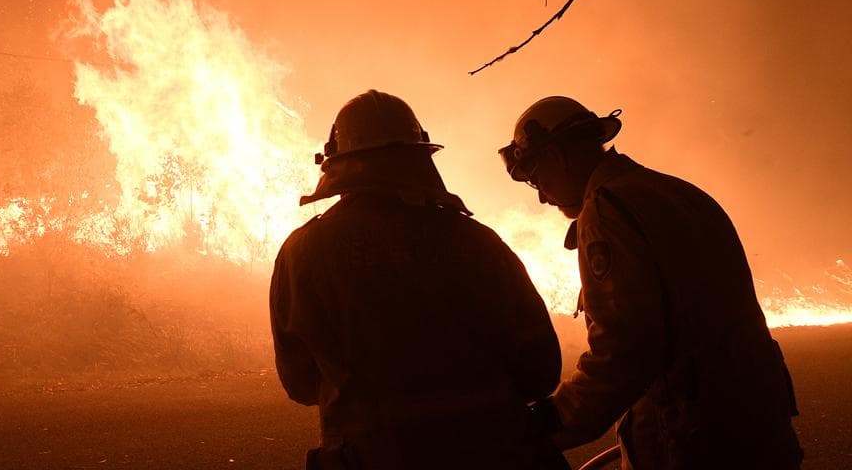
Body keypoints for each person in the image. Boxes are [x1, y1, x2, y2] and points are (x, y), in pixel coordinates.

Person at [499, 96, 802, 469]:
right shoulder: (679, 192)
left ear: (557, 156)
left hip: (695, 443)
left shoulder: (606, 210)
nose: (542, 196)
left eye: (536, 178)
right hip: (758, 427)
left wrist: (551, 421)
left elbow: (624, 350)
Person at [271, 89, 568, 470]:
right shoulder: (479, 243)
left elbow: (300, 384)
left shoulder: (302, 252)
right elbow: (541, 371)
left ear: (336, 166)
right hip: (498, 454)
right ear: (420, 158)